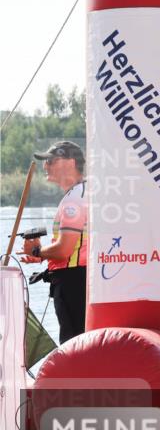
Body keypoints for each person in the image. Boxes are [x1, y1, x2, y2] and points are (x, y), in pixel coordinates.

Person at [20, 141, 88, 344]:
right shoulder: (81, 193)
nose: (45, 165)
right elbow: (74, 248)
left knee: (73, 345)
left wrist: (37, 250)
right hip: (79, 279)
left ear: (70, 163)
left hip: (73, 282)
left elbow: (64, 250)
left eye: (50, 160)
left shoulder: (74, 200)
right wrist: (41, 255)